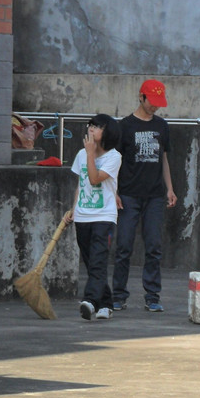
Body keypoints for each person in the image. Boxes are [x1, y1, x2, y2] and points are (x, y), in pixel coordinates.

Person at [112, 79, 178, 313]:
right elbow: (114, 162)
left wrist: (169, 188)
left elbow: (164, 159)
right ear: (141, 97)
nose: (155, 107)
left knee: (153, 246)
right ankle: (118, 294)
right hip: (129, 194)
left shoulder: (162, 126)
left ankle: (152, 295)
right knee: (124, 246)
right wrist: (115, 192)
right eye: (152, 102)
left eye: (158, 103)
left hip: (155, 196)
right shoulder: (125, 126)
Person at [64, 114, 122, 321]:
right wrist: (73, 209)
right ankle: (106, 303)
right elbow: (81, 184)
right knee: (91, 262)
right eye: (90, 125)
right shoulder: (82, 154)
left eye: (97, 127)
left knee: (98, 260)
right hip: (82, 216)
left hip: (103, 216)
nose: (91, 129)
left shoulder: (114, 157)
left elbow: (95, 179)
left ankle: (89, 301)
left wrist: (90, 154)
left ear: (107, 132)